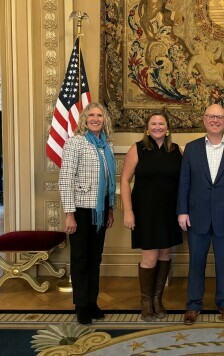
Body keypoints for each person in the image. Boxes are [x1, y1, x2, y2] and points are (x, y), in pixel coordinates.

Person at [177, 103, 224, 325]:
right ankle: (193, 305)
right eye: (211, 116)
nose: (215, 120)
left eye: (220, 117)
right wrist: (182, 211)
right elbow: (184, 182)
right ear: (204, 119)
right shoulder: (191, 148)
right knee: (196, 262)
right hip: (196, 216)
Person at [120, 110, 183, 322]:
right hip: (144, 212)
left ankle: (158, 299)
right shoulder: (137, 149)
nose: (157, 127)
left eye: (161, 124)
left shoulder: (176, 151)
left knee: (165, 254)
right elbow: (125, 181)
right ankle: (146, 300)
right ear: (148, 128)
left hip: (169, 212)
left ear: (168, 128)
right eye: (153, 124)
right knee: (149, 258)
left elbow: (184, 183)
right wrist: (128, 211)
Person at [58, 102, 116, 325]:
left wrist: (110, 208)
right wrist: (69, 214)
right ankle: (81, 305)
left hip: (100, 210)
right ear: (84, 119)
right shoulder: (76, 143)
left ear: (104, 120)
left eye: (99, 115)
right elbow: (65, 179)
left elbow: (110, 181)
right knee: (80, 258)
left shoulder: (106, 145)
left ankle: (92, 302)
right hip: (81, 210)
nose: (95, 118)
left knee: (95, 258)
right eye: (91, 115)